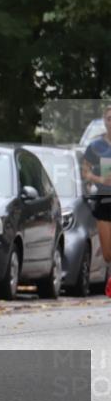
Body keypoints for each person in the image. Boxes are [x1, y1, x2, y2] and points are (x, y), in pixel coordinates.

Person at [81, 105, 111, 296]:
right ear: (104, 121)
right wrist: (100, 179)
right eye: (109, 118)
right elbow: (85, 172)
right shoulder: (95, 146)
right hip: (104, 201)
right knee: (107, 254)